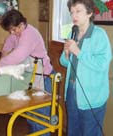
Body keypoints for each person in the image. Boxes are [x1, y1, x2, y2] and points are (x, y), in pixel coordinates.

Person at [0, 9, 54, 136]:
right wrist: (3, 56)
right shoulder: (16, 33)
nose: (12, 33)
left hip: (42, 77)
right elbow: (8, 43)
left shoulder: (30, 34)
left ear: (21, 25)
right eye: (10, 30)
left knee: (41, 115)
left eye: (14, 29)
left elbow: (19, 55)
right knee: (31, 113)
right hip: (31, 77)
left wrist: (0, 64)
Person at [60, 0, 112, 136]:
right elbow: (64, 62)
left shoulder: (99, 35)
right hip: (71, 91)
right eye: (72, 12)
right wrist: (66, 53)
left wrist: (78, 52)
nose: (73, 16)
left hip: (92, 96)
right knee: (73, 132)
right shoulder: (72, 32)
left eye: (78, 11)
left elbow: (101, 64)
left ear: (89, 13)